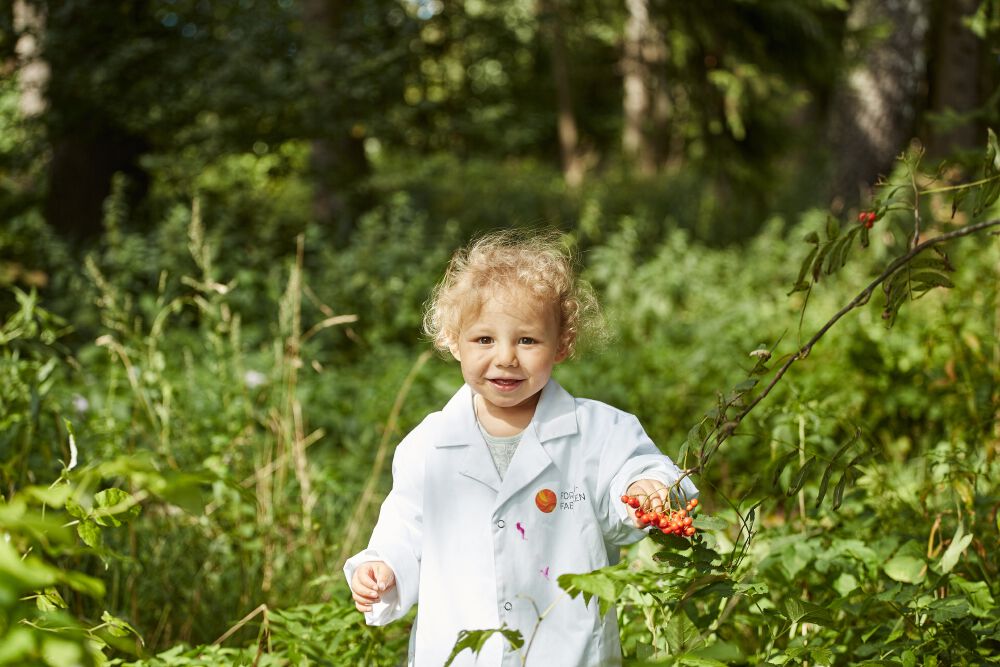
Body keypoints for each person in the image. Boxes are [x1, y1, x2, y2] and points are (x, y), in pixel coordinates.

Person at [344, 230, 697, 666]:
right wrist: (382, 568)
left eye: (527, 340)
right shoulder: (428, 445)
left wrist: (647, 490)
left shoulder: (599, 431)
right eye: (484, 340)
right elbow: (405, 529)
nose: (506, 358)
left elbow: (639, 473)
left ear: (562, 344)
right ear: (453, 340)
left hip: (566, 651)